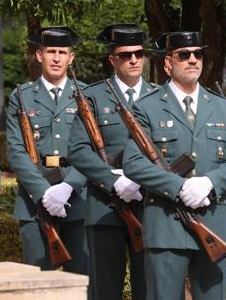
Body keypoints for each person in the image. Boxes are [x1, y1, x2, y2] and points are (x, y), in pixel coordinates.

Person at [122, 31, 226, 300]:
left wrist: (210, 183)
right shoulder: (147, 107)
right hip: (166, 224)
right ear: (168, 63)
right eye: (184, 55)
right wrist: (179, 187)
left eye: (198, 54)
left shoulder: (222, 107)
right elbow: (133, 163)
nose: (192, 60)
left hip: (213, 221)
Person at [67, 24, 155, 300]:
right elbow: (78, 149)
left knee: (149, 286)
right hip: (105, 205)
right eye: (125, 55)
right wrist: (113, 180)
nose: (133, 60)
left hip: (149, 205)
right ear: (112, 60)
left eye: (138, 54)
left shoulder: (160, 95)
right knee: (104, 288)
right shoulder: (93, 96)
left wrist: (141, 179)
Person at [7, 26, 88, 273]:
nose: (56, 58)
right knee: (38, 284)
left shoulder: (86, 94)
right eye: (50, 51)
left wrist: (68, 186)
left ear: (71, 58)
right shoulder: (21, 96)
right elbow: (16, 151)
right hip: (35, 205)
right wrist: (44, 193)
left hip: (78, 201)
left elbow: (93, 149)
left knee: (82, 283)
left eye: (62, 52)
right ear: (39, 55)